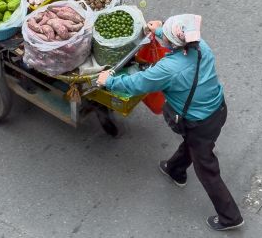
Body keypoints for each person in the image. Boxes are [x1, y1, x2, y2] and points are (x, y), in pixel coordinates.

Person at [96, 14, 244, 231]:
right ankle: (175, 169)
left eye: (166, 33)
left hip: (199, 121)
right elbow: (176, 39)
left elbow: (137, 84)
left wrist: (108, 81)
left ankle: (230, 217)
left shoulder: (169, 68)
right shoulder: (201, 46)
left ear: (174, 43)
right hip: (218, 109)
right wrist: (158, 30)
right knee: (194, 144)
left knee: (207, 169)